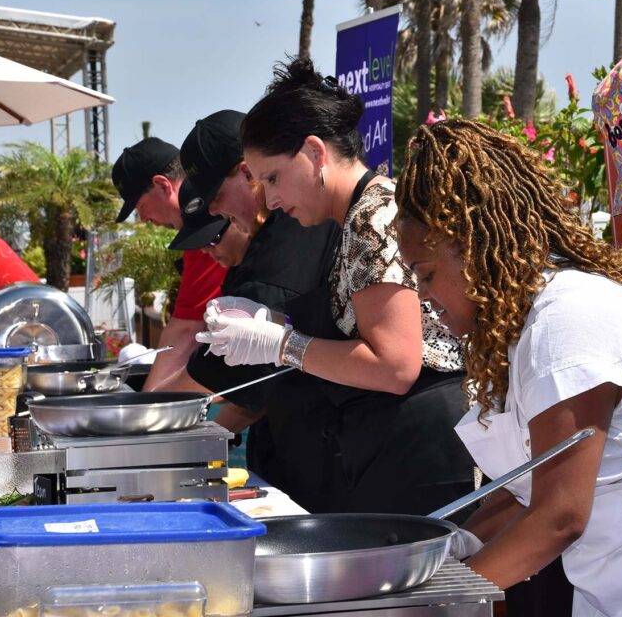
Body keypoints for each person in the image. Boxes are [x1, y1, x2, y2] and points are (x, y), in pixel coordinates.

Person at [394, 118, 622, 617]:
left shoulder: (565, 322)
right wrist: (441, 553)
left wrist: (431, 602)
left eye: (427, 275)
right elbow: (523, 493)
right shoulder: (527, 325)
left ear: (473, 248)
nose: (423, 297)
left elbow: (559, 515)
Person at [198, 59, 475, 518]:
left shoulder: (372, 216)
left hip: (423, 450)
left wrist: (283, 345)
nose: (268, 198)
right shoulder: (351, 217)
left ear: (313, 153)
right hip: (390, 448)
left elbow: (395, 365)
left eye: (271, 177)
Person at [163, 110, 344, 512]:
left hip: (330, 458)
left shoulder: (295, 233)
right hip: (291, 447)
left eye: (215, 197)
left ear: (248, 173)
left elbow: (224, 378)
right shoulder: (266, 240)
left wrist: (140, 424)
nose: (212, 212)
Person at [111, 137, 225, 389]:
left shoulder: (206, 226)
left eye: (141, 206)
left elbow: (186, 329)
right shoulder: (201, 224)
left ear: (163, 186)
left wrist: (147, 405)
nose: (143, 219)